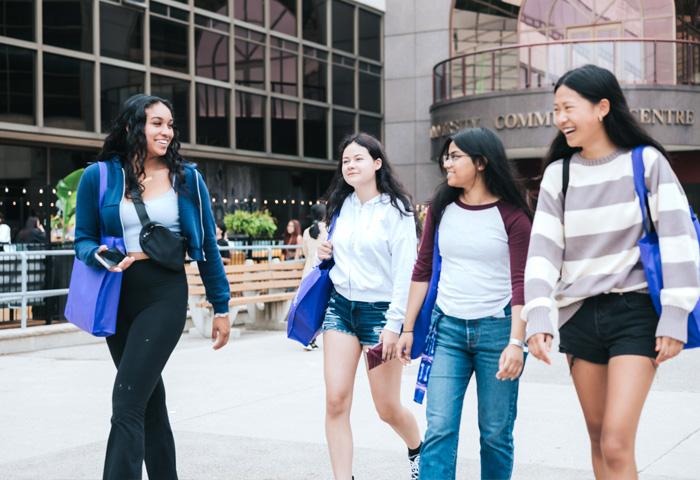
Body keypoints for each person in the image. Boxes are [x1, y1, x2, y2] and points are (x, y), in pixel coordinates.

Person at [523, 65, 700, 480]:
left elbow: (679, 240)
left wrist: (675, 313)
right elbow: (543, 253)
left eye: (569, 107)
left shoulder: (646, 163)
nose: (560, 118)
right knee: (599, 435)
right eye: (555, 109)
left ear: (602, 107)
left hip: (635, 314)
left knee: (618, 441)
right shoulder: (559, 174)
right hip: (580, 315)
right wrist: (538, 315)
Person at [74, 94, 231, 480]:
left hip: (164, 292)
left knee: (126, 402)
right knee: (149, 403)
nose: (167, 131)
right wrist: (102, 256)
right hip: (116, 294)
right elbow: (82, 240)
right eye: (157, 123)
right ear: (133, 126)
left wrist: (221, 305)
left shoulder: (187, 178)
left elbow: (208, 244)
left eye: (170, 124)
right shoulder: (100, 176)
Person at [397, 128, 532, 480]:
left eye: (456, 156)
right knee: (439, 427)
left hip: (498, 332)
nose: (447, 163)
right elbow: (422, 268)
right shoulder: (442, 209)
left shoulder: (514, 217)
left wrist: (517, 342)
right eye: (447, 155)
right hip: (448, 332)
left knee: (495, 434)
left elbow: (522, 284)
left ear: (482, 163)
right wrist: (408, 328)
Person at [317, 132, 422, 480]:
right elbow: (332, 258)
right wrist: (323, 251)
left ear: (377, 164)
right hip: (341, 310)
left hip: (381, 316)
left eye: (358, 158)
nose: (350, 165)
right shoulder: (340, 207)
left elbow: (406, 273)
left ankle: (417, 448)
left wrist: (395, 325)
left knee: (387, 408)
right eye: (345, 160)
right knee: (335, 401)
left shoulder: (398, 211)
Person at [299, 203, 329, 351]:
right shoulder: (329, 230)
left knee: (310, 306)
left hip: (308, 271)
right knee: (322, 306)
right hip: (323, 272)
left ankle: (309, 338)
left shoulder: (306, 232)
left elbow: (305, 252)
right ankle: (313, 338)